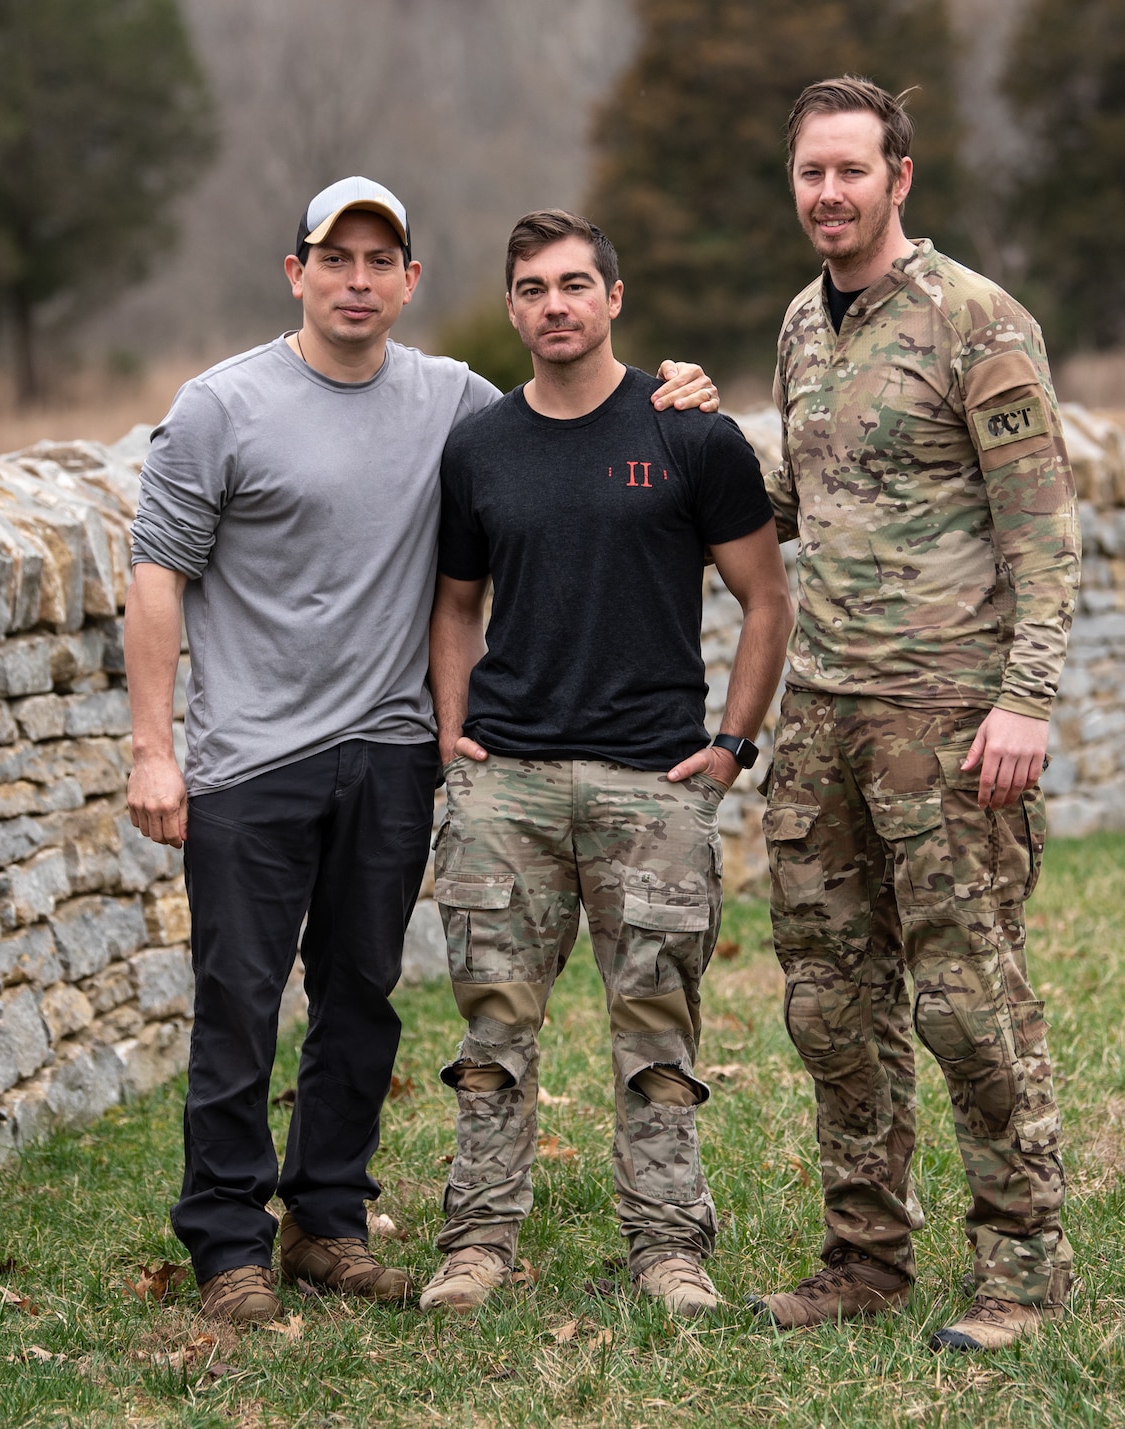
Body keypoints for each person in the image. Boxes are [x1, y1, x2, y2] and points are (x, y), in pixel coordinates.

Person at [124, 177, 723, 1327]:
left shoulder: (451, 400)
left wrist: (676, 390)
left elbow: (571, 416)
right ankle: (226, 1241)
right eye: (332, 258)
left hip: (394, 749)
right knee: (239, 1003)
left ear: (409, 280)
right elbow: (158, 576)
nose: (356, 280)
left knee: (361, 998)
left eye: (378, 260)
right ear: (295, 273)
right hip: (249, 760)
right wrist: (155, 749)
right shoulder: (221, 405)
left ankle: (327, 1224)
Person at [749, 78, 1081, 1351]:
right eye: (806, 173)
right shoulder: (797, 325)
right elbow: (817, 492)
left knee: (965, 996)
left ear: (899, 177)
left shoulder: (976, 321)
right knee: (830, 1001)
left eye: (848, 170)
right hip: (821, 714)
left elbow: (1040, 530)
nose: (825, 193)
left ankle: (1021, 1266)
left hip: (947, 718)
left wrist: (1025, 699)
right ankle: (864, 1256)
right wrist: (689, 450)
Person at [416, 209, 794, 1319]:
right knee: (491, 1033)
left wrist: (729, 744)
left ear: (613, 298)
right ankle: (476, 1241)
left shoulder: (689, 434)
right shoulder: (480, 446)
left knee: (657, 1037)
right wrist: (452, 733)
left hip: (653, 787)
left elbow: (765, 598)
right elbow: (454, 603)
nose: (554, 306)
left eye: (575, 284)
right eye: (531, 288)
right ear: (512, 307)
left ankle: (668, 1249)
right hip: (507, 787)